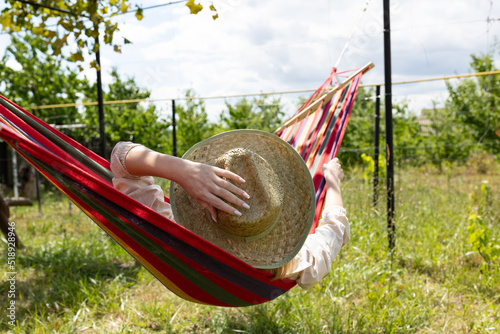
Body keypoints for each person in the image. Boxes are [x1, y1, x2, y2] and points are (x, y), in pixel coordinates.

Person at [110, 130, 349, 289]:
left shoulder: (175, 233)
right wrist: (333, 182)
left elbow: (122, 158)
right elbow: (333, 233)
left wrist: (182, 170)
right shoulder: (291, 264)